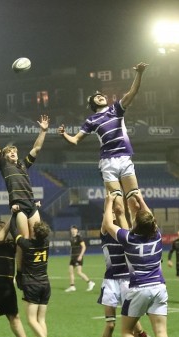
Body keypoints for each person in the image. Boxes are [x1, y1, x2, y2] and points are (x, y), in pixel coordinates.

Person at [58, 62, 149, 227]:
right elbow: (75, 140)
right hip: (108, 162)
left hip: (124, 159)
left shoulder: (116, 109)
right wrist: (64, 134)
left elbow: (132, 92)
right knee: (119, 208)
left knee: (135, 204)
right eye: (96, 96)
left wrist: (139, 73)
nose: (100, 96)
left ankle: (139, 236)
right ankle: (126, 240)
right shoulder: (91, 120)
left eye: (101, 95)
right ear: (93, 104)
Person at [102, 191, 172, 337]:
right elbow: (151, 219)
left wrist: (108, 203)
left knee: (126, 330)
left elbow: (108, 225)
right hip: (159, 288)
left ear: (136, 225)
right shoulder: (157, 236)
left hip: (139, 289)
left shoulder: (128, 239)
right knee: (160, 331)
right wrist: (140, 199)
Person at [0, 110, 49, 278]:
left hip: (31, 204)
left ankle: (35, 271)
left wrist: (43, 131)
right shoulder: (4, 166)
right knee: (24, 240)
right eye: (9, 152)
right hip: (19, 206)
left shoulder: (23, 165)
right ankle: (21, 273)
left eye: (14, 151)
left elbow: (36, 148)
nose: (13, 153)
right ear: (5, 157)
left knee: (38, 238)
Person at [98, 210, 151, 337]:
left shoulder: (126, 235)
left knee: (129, 326)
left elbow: (123, 220)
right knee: (110, 324)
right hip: (110, 283)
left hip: (127, 283)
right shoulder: (105, 233)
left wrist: (119, 210)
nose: (112, 214)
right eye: (110, 213)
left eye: (115, 213)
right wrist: (109, 201)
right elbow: (106, 221)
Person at [11, 217, 56, 337]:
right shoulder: (46, 243)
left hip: (32, 285)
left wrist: (14, 215)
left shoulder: (27, 244)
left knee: (31, 320)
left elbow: (13, 231)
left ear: (34, 233)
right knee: (41, 319)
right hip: (45, 283)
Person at [65, 225, 95, 292]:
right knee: (70, 271)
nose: (73, 230)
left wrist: (81, 256)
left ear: (77, 230)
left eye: (74, 229)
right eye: (72, 229)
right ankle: (72, 286)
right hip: (73, 257)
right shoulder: (71, 238)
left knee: (79, 272)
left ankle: (90, 282)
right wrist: (71, 254)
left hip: (78, 257)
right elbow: (72, 248)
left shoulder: (79, 238)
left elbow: (84, 247)